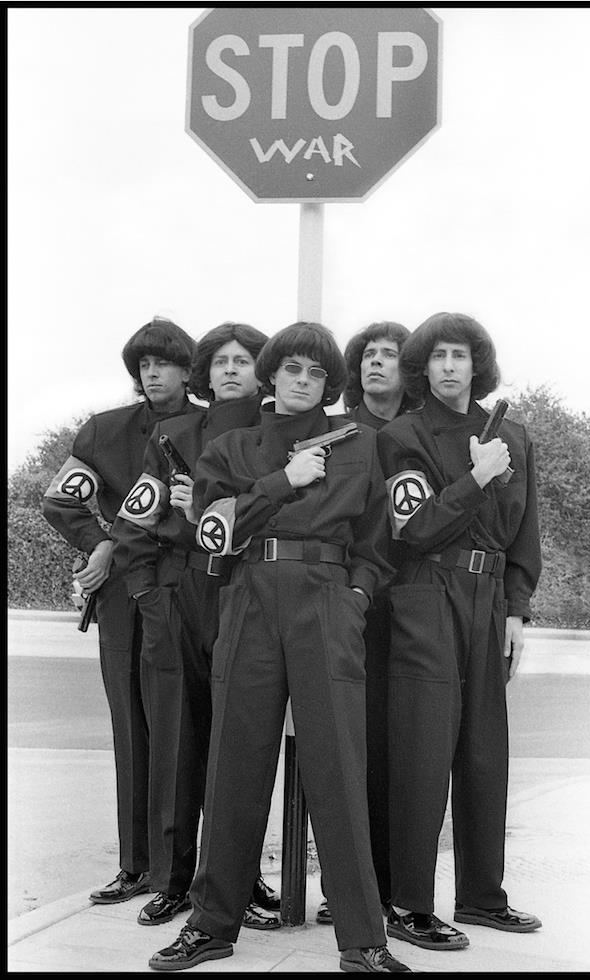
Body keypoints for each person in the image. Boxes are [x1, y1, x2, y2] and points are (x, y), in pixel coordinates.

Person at [149, 322, 411, 973]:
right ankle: (210, 926)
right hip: (248, 597)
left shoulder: (364, 446)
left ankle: (362, 940)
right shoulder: (233, 446)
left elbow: (378, 544)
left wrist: (353, 598)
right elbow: (213, 532)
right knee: (234, 763)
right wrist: (280, 482)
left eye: (315, 374)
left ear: (329, 383)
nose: (301, 381)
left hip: (326, 600)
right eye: (291, 369)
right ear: (272, 376)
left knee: (338, 768)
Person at [376, 311, 543, 952]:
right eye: (439, 356)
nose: (450, 367)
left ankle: (481, 897)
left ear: (479, 365)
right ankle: (408, 904)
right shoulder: (404, 436)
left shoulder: (515, 438)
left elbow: (526, 530)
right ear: (424, 366)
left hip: (490, 594)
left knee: (483, 747)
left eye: (461, 356)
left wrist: (516, 610)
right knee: (424, 747)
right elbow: (413, 529)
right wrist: (475, 479)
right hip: (426, 592)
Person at [111, 322, 281, 930]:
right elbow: (136, 520)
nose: (232, 369)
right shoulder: (173, 433)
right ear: (204, 373)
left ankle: (242, 875)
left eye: (245, 360)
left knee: (241, 741)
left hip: (248, 591)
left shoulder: (275, 435)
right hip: (181, 592)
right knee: (177, 739)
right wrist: (147, 593)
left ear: (262, 370)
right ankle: (173, 879)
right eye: (221, 361)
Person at [43, 316, 200, 904]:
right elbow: (62, 499)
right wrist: (100, 544)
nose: (152, 372)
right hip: (120, 600)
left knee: (184, 728)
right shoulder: (103, 432)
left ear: (188, 369)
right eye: (143, 364)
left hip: (184, 591)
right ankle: (136, 866)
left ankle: (183, 872)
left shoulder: (206, 428)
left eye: (163, 362)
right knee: (129, 726)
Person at [315, 320, 411, 927]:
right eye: (367, 355)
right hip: (353, 603)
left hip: (420, 608)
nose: (376, 363)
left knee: (404, 751)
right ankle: (346, 890)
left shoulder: (419, 432)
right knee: (351, 749)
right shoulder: (340, 433)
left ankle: (396, 890)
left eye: (390, 355)